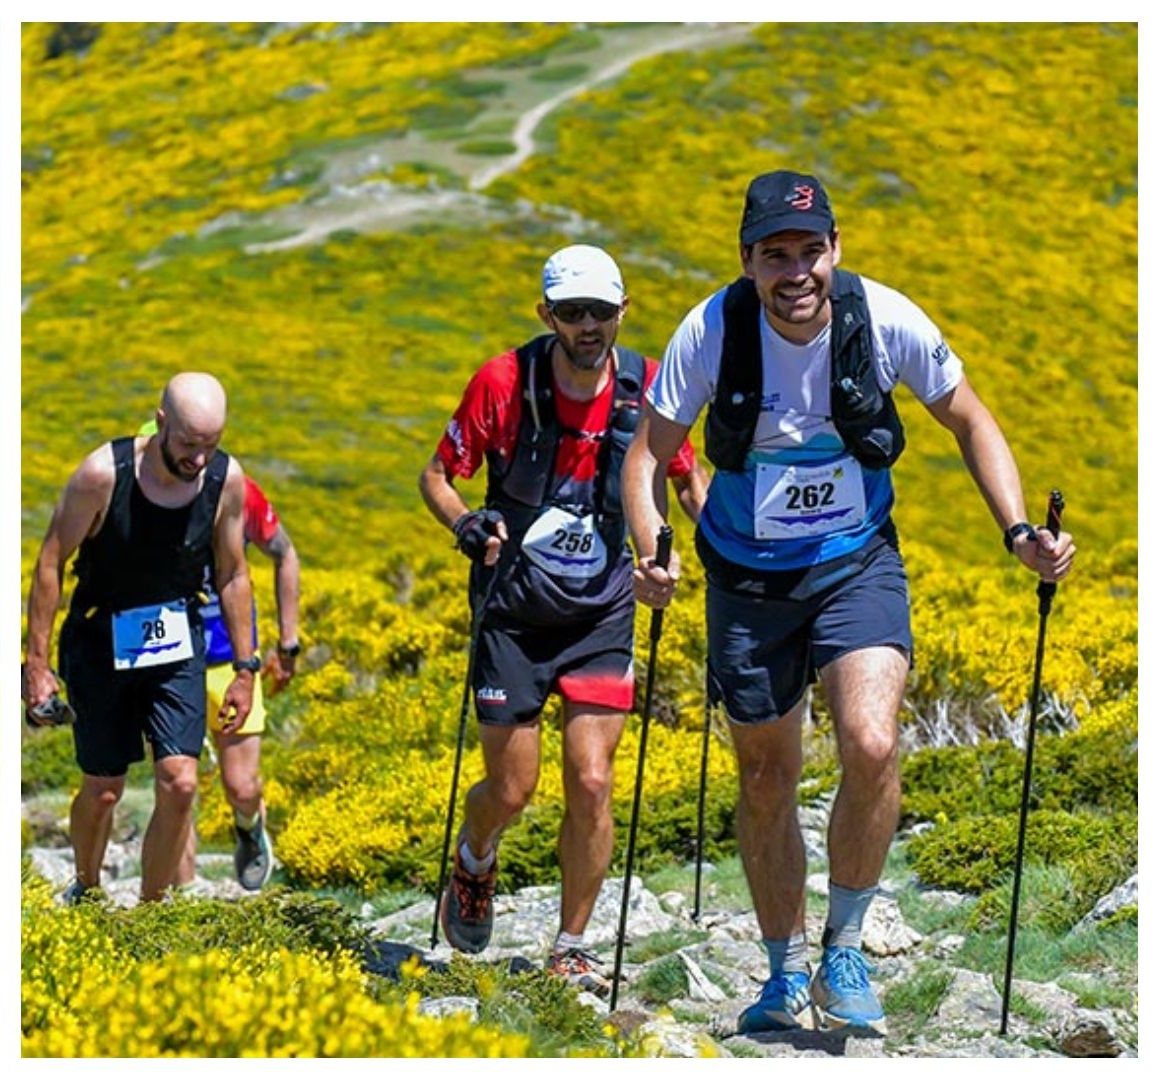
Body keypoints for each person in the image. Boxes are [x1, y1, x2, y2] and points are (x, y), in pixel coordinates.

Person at [623, 170, 1075, 1034]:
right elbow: (645, 459)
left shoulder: (886, 317)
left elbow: (970, 419)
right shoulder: (712, 330)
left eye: (811, 251)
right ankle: (784, 969)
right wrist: (651, 553)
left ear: (836, 249)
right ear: (749, 261)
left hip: (855, 557)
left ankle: (846, 944)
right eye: (775, 255)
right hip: (746, 576)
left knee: (871, 740)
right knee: (766, 773)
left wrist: (1019, 532)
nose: (796, 272)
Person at [419, 244, 705, 992]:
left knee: (592, 776)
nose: (588, 327)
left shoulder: (650, 389)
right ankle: (475, 857)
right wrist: (464, 524)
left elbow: (683, 482)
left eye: (600, 313)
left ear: (622, 313)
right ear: (547, 315)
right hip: (512, 610)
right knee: (510, 790)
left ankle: (572, 942)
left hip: (601, 612)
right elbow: (437, 475)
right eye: (572, 313)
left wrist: (684, 560)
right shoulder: (502, 382)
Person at [24, 373, 258, 903]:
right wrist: (36, 663)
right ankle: (86, 886)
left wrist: (246, 668)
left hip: (176, 639)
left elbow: (233, 574)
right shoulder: (102, 475)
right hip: (99, 636)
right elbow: (51, 562)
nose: (198, 460)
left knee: (181, 782)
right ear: (160, 423)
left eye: (211, 446)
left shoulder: (226, 481)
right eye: (188, 445)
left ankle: (153, 907)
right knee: (104, 789)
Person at [141, 417, 301, 892]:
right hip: (166, 659)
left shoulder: (236, 490)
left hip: (230, 659)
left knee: (241, 784)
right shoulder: (132, 494)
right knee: (176, 785)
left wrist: (287, 642)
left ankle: (249, 827)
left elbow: (284, 553)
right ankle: (184, 896)